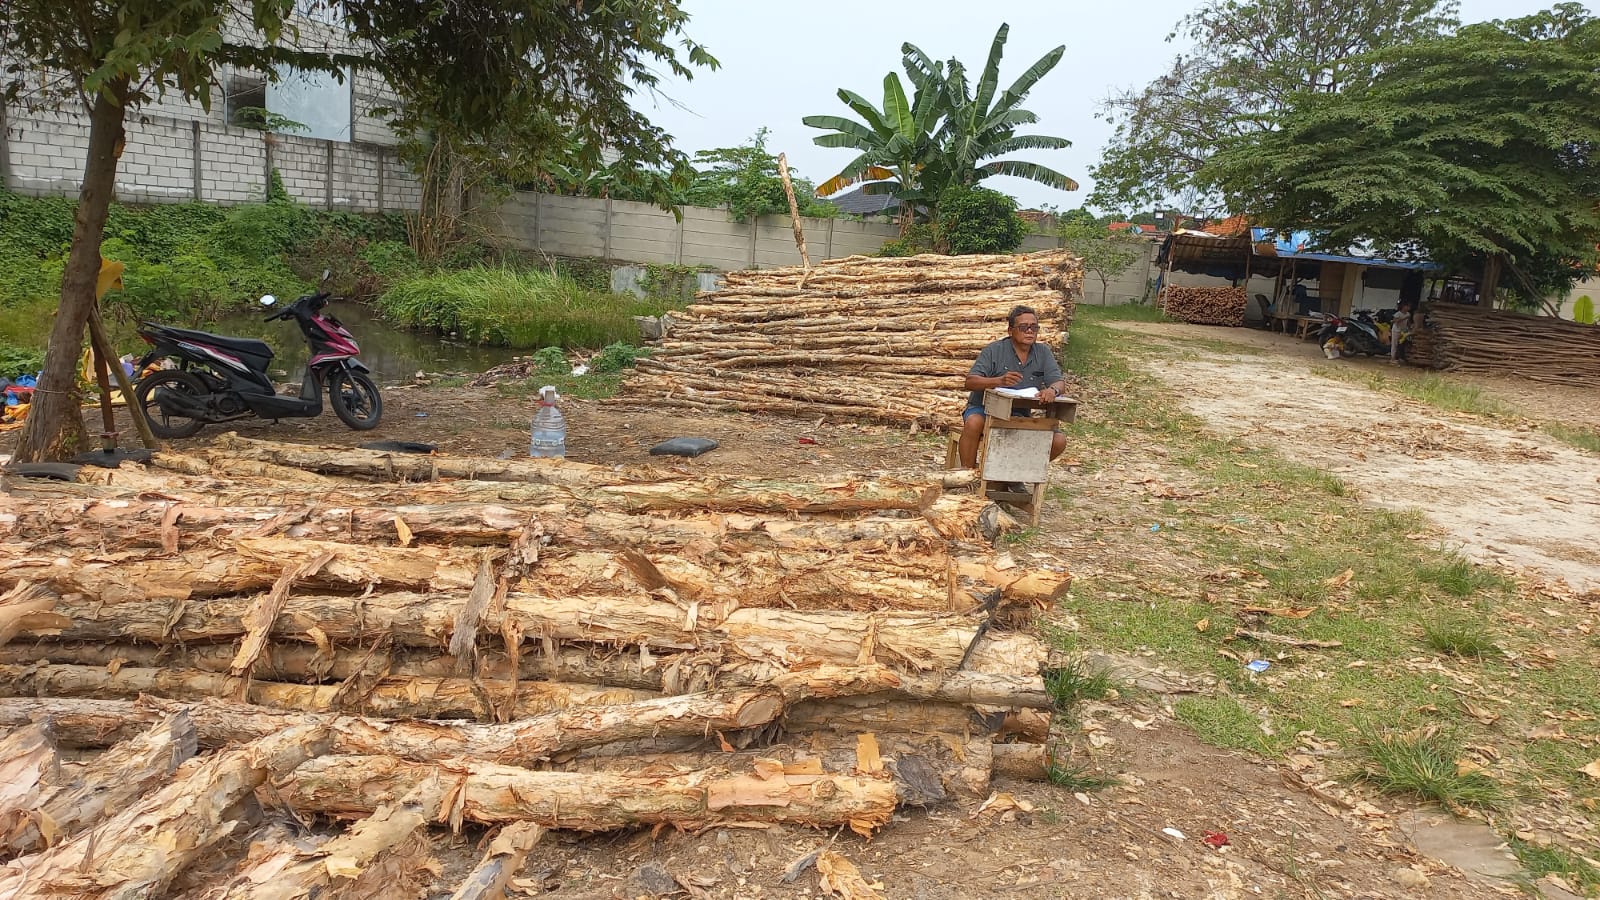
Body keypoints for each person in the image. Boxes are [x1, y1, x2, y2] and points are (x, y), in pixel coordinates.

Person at [959, 305, 1069, 469]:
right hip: (985, 409)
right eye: (1024, 327)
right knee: (974, 422)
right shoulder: (994, 350)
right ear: (1010, 331)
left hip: (1019, 413)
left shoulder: (1043, 352)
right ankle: (967, 474)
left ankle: (1016, 474)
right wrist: (998, 381)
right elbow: (970, 382)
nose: (1029, 331)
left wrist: (1052, 390)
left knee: (1058, 440)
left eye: (1034, 327)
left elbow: (1059, 382)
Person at [1390, 297, 1416, 364]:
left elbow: (1408, 322)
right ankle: (1392, 358)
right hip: (1396, 330)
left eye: (1409, 307)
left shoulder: (1408, 314)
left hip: (1403, 331)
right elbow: (1394, 321)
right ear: (1404, 306)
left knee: (1402, 344)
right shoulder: (1398, 314)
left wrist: (1410, 327)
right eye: (1407, 306)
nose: (1408, 308)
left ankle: (1400, 357)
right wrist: (1404, 318)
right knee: (1394, 344)